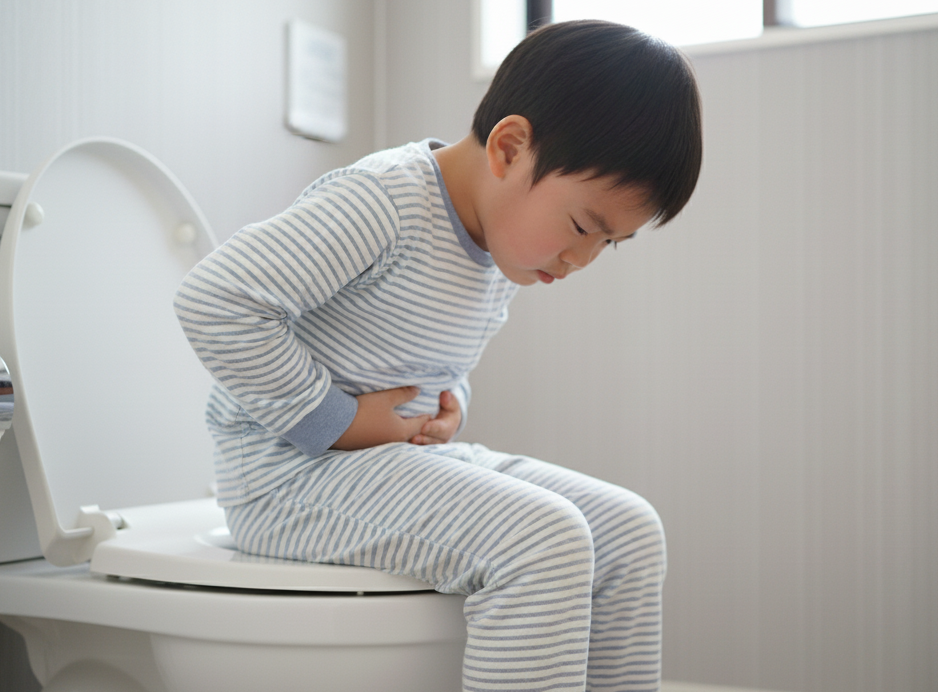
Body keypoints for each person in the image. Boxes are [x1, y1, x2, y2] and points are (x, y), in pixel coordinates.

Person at [174, 19, 701, 692]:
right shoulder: (384, 201)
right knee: (541, 537)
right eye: (581, 226)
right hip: (286, 478)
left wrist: (447, 409)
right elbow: (216, 301)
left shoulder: (499, 245)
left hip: (388, 463)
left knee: (630, 531)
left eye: (610, 243)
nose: (583, 259)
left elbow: (421, 356)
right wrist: (336, 420)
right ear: (510, 148)